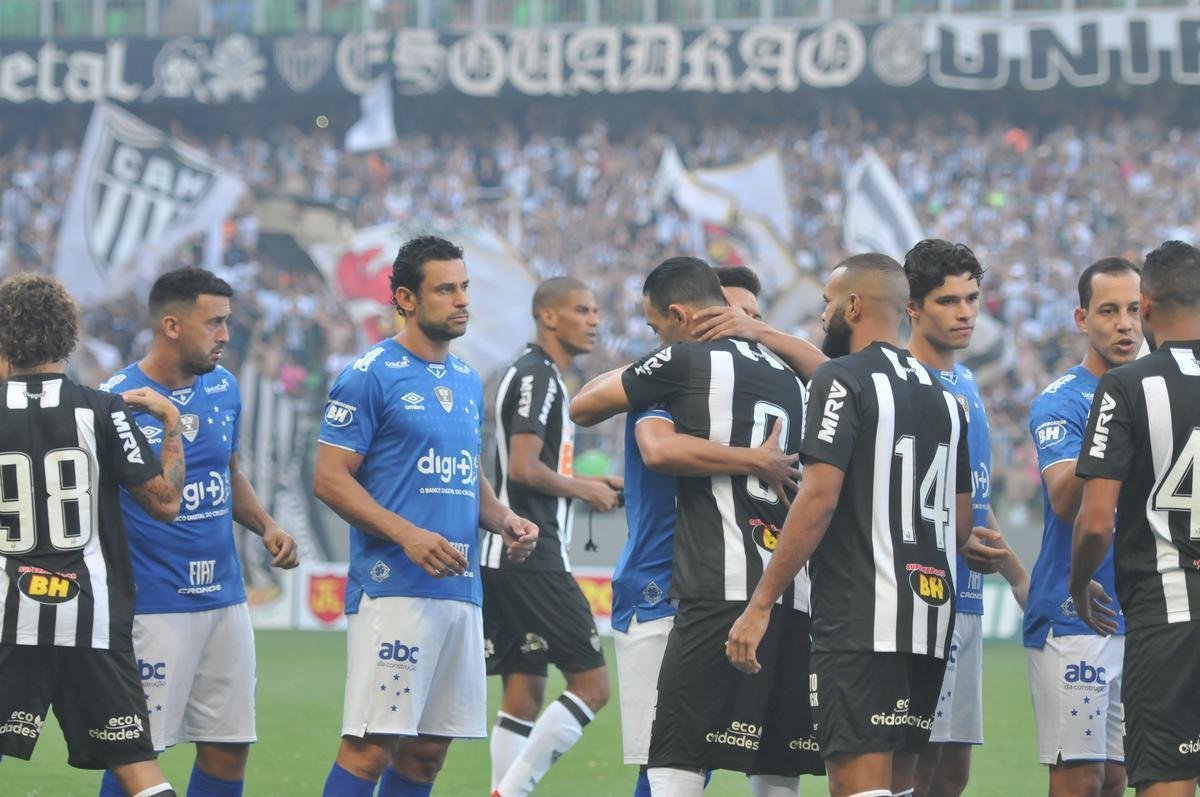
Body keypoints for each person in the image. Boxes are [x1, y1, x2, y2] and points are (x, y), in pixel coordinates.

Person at [571, 256, 822, 797]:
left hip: (692, 588)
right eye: (737, 312)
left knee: (670, 760)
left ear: (681, 316)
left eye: (657, 324)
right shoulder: (793, 380)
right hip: (777, 591)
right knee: (773, 764)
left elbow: (595, 414)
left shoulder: (677, 368)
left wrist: (665, 360)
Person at [726, 253, 974, 797]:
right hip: (930, 619)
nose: (822, 317)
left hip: (862, 619)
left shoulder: (839, 379)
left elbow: (817, 499)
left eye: (828, 304)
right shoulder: (946, 396)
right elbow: (960, 526)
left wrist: (760, 603)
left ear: (854, 306)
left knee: (858, 787)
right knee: (899, 787)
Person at [313, 235, 538, 797]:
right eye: (445, 289)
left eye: (464, 287)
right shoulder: (370, 374)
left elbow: (464, 468)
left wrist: (502, 518)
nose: (461, 300)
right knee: (370, 748)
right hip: (395, 590)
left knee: (427, 754)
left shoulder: (464, 379)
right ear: (406, 299)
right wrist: (407, 534)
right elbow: (329, 477)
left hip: (460, 590)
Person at [97, 268, 299, 797]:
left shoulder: (225, 387)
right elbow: (148, 501)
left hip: (226, 600)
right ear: (171, 325)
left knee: (228, 747)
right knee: (137, 752)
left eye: (226, 322)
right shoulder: (116, 401)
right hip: (153, 604)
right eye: (214, 323)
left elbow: (227, 473)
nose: (225, 335)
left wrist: (266, 525)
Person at [0, 274, 184, 797]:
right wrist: (170, 421)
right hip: (92, 617)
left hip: (7, 615)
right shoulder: (104, 410)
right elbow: (166, 502)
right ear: (68, 337)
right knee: (135, 767)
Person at [1071, 240, 1200, 797]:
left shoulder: (1124, 386)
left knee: (1167, 778)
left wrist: (1080, 584)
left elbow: (1097, 521)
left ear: (1144, 307)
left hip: (1165, 611)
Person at [485, 277, 622, 797]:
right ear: (548, 316)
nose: (594, 320)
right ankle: (509, 793)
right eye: (582, 310)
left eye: (595, 310)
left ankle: (502, 787)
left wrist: (587, 484)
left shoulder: (536, 375)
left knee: (524, 691)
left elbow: (531, 466)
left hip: (505, 552)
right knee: (592, 685)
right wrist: (583, 491)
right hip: (530, 552)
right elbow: (522, 468)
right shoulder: (539, 377)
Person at [904, 240, 1029, 797]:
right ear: (913, 307)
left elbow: (975, 502)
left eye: (972, 298)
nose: (965, 312)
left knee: (952, 775)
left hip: (970, 598)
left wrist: (1022, 580)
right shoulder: (899, 381)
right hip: (918, 595)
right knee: (909, 766)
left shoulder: (969, 385)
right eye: (948, 300)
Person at [1024, 257, 1141, 797]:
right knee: (1082, 779)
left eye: (1136, 310)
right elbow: (1066, 499)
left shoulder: (1154, 393)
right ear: (1081, 318)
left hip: (1139, 609)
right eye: (1110, 310)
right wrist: (1108, 421)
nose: (1125, 323)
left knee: (1120, 776)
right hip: (1073, 614)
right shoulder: (1061, 399)